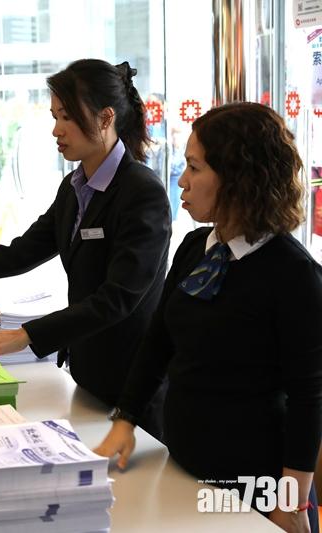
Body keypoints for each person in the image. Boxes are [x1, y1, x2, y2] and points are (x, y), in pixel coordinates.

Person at [0, 59, 171, 436]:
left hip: (132, 383)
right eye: (54, 116)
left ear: (105, 118)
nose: (57, 130)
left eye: (67, 117)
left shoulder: (142, 193)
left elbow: (117, 298)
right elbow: (20, 253)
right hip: (86, 372)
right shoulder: (74, 187)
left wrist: (25, 335)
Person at [95, 102, 321, 533]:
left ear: (239, 177)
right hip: (184, 467)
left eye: (195, 167)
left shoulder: (294, 275)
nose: (182, 180)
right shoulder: (195, 248)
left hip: (256, 486)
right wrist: (125, 419)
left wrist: (291, 504)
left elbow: (308, 399)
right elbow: (158, 342)